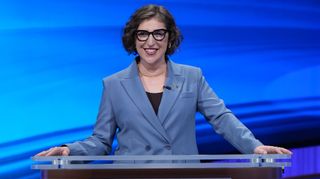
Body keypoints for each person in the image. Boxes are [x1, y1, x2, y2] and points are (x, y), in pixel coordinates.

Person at [36, 4, 291, 157]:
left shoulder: (192, 77)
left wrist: (254, 147)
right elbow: (101, 141)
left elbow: (222, 118)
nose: (150, 42)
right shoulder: (113, 84)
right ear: (133, 39)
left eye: (158, 33)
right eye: (143, 34)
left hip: (181, 175)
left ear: (170, 39)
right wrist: (70, 149)